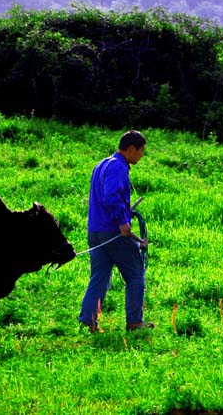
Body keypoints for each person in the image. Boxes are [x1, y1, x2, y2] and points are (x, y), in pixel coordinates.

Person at [78, 130, 153, 332]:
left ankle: (88, 319)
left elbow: (104, 198)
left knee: (100, 276)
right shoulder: (119, 167)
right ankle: (135, 323)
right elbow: (111, 196)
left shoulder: (102, 164)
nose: (142, 155)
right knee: (136, 275)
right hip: (113, 232)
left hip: (95, 231)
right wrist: (122, 220)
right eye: (141, 151)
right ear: (130, 149)